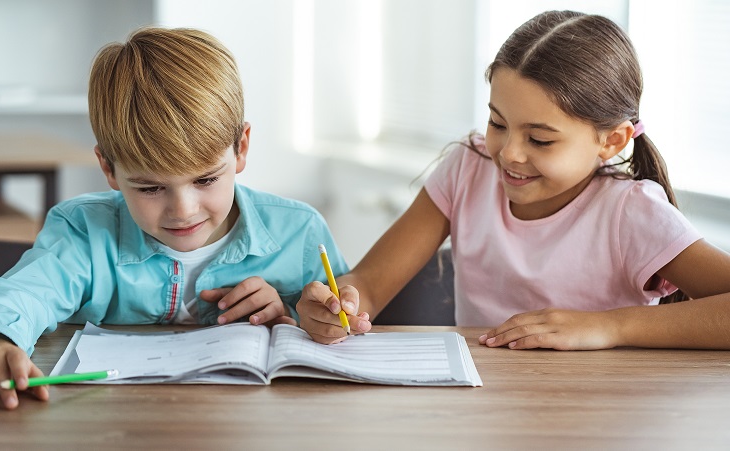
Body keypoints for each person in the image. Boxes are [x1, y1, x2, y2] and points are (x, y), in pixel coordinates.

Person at [0, 27, 347, 410]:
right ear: (108, 167)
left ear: (240, 148)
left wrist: (297, 318)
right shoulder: (83, 232)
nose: (183, 210)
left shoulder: (299, 233)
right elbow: (20, 295)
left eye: (206, 179)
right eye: (150, 188)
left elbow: (339, 326)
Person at [297, 10, 730, 349]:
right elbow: (370, 283)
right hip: (485, 408)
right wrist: (342, 305)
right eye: (497, 123)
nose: (508, 153)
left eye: (540, 139)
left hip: (599, 415)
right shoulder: (468, 168)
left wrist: (608, 326)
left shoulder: (630, 212)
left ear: (611, 141)